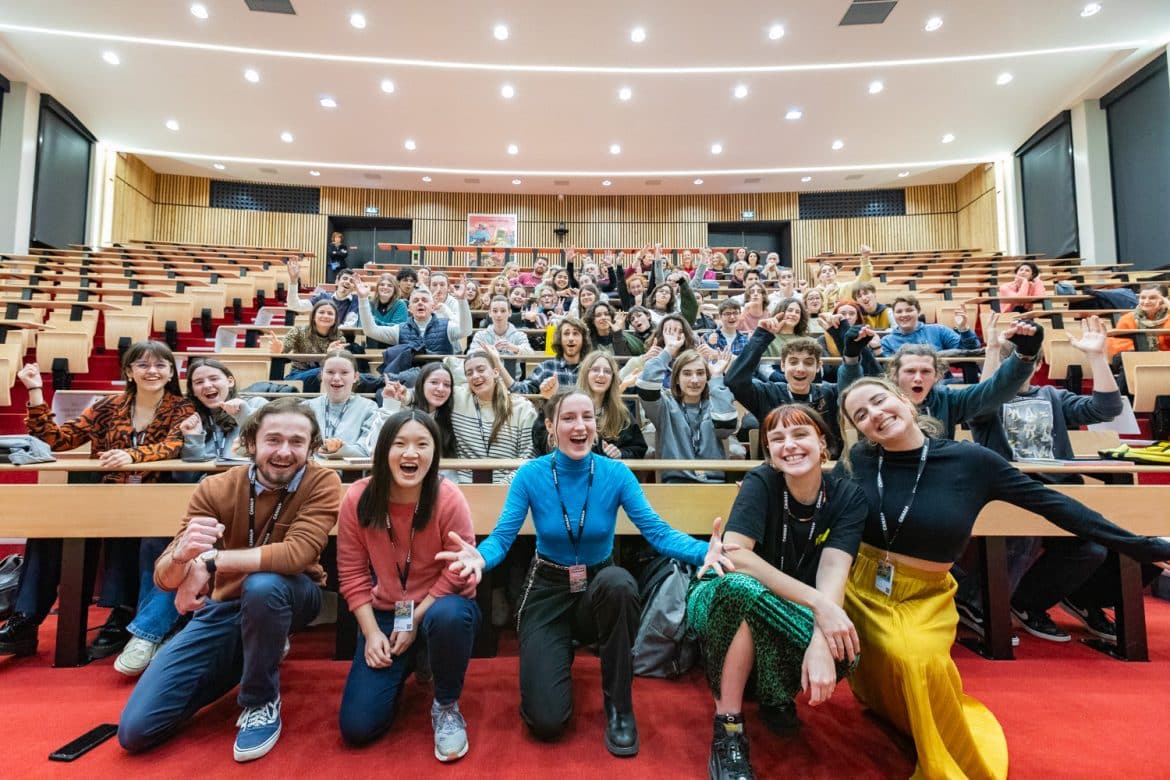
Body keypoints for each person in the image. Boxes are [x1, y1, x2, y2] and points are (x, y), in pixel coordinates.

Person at [835, 376, 1170, 780]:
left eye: (878, 401)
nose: (875, 415)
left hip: (923, 596)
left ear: (904, 400)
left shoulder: (972, 461)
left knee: (914, 660)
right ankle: (891, 710)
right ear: (858, 429)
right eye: (861, 415)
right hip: (861, 587)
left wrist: (1143, 545)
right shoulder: (859, 459)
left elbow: (1055, 506)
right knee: (880, 664)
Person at [437, 389, 736, 756]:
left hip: (599, 585)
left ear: (596, 425)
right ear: (551, 426)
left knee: (619, 583)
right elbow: (501, 537)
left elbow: (657, 532)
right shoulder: (530, 474)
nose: (579, 426)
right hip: (547, 589)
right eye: (568, 418)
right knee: (546, 722)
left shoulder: (615, 473)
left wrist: (704, 550)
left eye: (587, 417)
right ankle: (556, 651)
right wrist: (481, 559)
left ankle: (620, 706)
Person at [118, 398, 342, 761]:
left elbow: (296, 555)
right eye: (273, 440)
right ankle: (259, 651)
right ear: (250, 442)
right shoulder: (215, 487)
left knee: (264, 586)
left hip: (294, 594)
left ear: (311, 446)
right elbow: (165, 578)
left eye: (297, 442)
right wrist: (183, 557)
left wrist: (210, 562)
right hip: (225, 605)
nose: (284, 451)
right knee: (137, 730)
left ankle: (260, 700)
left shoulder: (322, 481)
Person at [690, 405, 867, 780]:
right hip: (720, 592)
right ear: (769, 451)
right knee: (741, 589)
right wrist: (819, 606)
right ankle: (729, 730)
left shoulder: (848, 496)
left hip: (789, 603)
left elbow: (834, 570)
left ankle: (772, 692)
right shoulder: (762, 481)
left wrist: (821, 639)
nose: (789, 445)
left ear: (823, 443)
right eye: (777, 439)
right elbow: (738, 557)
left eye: (800, 435)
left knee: (843, 651)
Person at [0, 343, 194, 662]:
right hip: (107, 496)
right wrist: (35, 391)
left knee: (132, 528)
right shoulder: (107, 406)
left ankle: (121, 612)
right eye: (143, 365)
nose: (152, 371)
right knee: (50, 531)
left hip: (156, 498)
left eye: (161, 365)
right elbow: (56, 441)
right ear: (129, 371)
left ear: (172, 372)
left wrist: (131, 456)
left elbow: (175, 445)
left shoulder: (182, 408)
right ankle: (26, 620)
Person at [960, 315, 1125, 642]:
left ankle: (1030, 602)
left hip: (1057, 493)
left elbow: (1106, 409)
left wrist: (1096, 357)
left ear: (1036, 365)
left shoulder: (1053, 397)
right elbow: (980, 407)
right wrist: (992, 350)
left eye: (1026, 361)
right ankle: (977, 603)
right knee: (1024, 534)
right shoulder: (988, 403)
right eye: (1009, 362)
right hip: (1007, 494)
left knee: (1093, 549)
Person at [336, 411, 480, 761]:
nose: (411, 453)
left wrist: (415, 620)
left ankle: (446, 704)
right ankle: (412, 661)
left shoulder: (448, 497)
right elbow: (352, 574)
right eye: (399, 444)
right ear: (383, 449)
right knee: (358, 727)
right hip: (387, 612)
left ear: (435, 452)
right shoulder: (358, 498)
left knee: (449, 617)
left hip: (439, 606)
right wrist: (371, 633)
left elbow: (457, 570)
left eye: (422, 444)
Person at [725, 329, 856, 459]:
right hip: (778, 468)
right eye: (793, 362)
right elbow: (735, 381)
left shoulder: (830, 394)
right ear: (782, 365)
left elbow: (857, 386)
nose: (800, 369)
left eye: (808, 363)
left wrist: (850, 350)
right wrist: (762, 335)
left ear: (818, 366)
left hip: (824, 466)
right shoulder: (767, 393)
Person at [637, 340, 738, 484]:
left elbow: (725, 428)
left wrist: (716, 377)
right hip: (676, 484)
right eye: (687, 373)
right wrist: (667, 352)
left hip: (714, 484)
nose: (695, 380)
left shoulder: (716, 404)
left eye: (700, 373)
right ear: (677, 379)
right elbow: (645, 385)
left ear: (707, 377)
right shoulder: (664, 407)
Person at [533, 351, 647, 460]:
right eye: (595, 370)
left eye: (607, 371)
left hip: (604, 472)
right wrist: (550, 400)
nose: (601, 375)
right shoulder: (565, 404)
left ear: (612, 378)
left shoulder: (620, 413)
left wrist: (621, 454)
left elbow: (638, 449)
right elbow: (540, 441)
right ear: (585, 373)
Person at [451, 349, 539, 483]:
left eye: (481, 370)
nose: (475, 376)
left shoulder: (522, 408)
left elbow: (529, 456)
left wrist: (502, 487)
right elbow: (433, 383)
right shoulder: (457, 399)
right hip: (463, 487)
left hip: (511, 487)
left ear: (496, 372)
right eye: (469, 373)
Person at [356, 284, 472, 374]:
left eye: (424, 300)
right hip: (408, 383)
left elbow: (466, 330)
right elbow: (370, 330)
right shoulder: (399, 329)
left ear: (433, 307)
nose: (420, 303)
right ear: (410, 308)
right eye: (416, 301)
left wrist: (462, 300)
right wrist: (363, 299)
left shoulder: (447, 326)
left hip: (439, 379)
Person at [180, 359, 268, 463]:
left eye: (214, 379)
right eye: (199, 382)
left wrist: (245, 414)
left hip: (245, 473)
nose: (207, 385)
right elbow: (189, 471)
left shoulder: (256, 404)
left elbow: (267, 446)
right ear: (193, 391)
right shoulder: (189, 417)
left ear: (230, 382)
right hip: (207, 474)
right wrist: (194, 439)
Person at [376, 361, 458, 463]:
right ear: (421, 384)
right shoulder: (400, 410)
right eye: (434, 382)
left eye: (447, 385)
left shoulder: (451, 414)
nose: (441, 389)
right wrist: (390, 404)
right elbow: (375, 446)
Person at [261, 299, 348, 394]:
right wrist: (279, 350)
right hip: (297, 375)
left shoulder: (339, 337)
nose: (325, 316)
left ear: (335, 319)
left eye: (330, 313)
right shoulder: (298, 331)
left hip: (325, 376)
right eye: (321, 312)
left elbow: (336, 367)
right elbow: (284, 347)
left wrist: (330, 355)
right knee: (321, 373)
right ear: (313, 316)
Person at [307, 350, 381, 460]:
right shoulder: (308, 407)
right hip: (314, 469)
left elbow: (366, 449)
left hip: (350, 471)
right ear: (322, 375)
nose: (336, 378)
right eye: (330, 372)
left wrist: (340, 449)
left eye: (344, 372)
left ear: (355, 377)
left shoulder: (369, 408)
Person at [510, 317, 591, 395]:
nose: (570, 338)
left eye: (575, 333)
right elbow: (522, 390)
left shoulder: (591, 369)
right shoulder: (547, 367)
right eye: (566, 333)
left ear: (583, 339)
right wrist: (502, 369)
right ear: (560, 339)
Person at [879, 296, 981, 356]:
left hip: (941, 382)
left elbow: (970, 350)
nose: (904, 315)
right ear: (893, 315)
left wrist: (963, 328)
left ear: (919, 312)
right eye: (899, 312)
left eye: (909, 310)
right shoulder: (887, 341)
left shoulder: (938, 330)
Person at [470, 295, 534, 378]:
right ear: (490, 313)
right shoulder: (480, 335)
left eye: (503, 311)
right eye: (495, 311)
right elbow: (470, 355)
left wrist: (515, 348)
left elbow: (530, 354)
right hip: (487, 380)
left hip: (512, 381)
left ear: (510, 313)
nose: (499, 315)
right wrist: (490, 350)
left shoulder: (519, 335)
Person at [1105, 282, 1170, 360]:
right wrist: (1151, 353)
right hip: (1136, 359)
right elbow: (1120, 346)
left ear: (1164, 300)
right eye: (1142, 298)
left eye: (1152, 298)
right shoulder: (1127, 319)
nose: (1146, 302)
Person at [286, 259, 361, 325]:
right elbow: (294, 305)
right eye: (345, 278)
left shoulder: (356, 301)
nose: (347, 282)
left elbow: (349, 325)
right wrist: (293, 281)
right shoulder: (323, 297)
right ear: (337, 281)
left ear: (354, 287)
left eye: (351, 281)